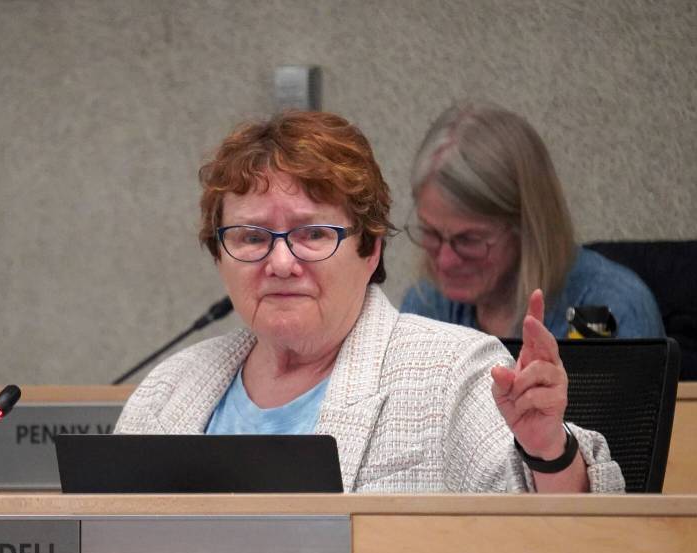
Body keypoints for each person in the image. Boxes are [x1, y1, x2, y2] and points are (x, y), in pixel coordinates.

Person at [116, 110, 624, 493]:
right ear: (218, 253)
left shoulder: (454, 371)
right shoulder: (169, 389)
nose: (281, 262)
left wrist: (548, 453)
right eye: (251, 238)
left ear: (370, 247)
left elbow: (565, 546)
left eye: (312, 234)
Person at [401, 101, 664, 339]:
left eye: (469, 240)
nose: (445, 261)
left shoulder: (608, 306)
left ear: (527, 227)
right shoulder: (427, 308)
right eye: (431, 233)